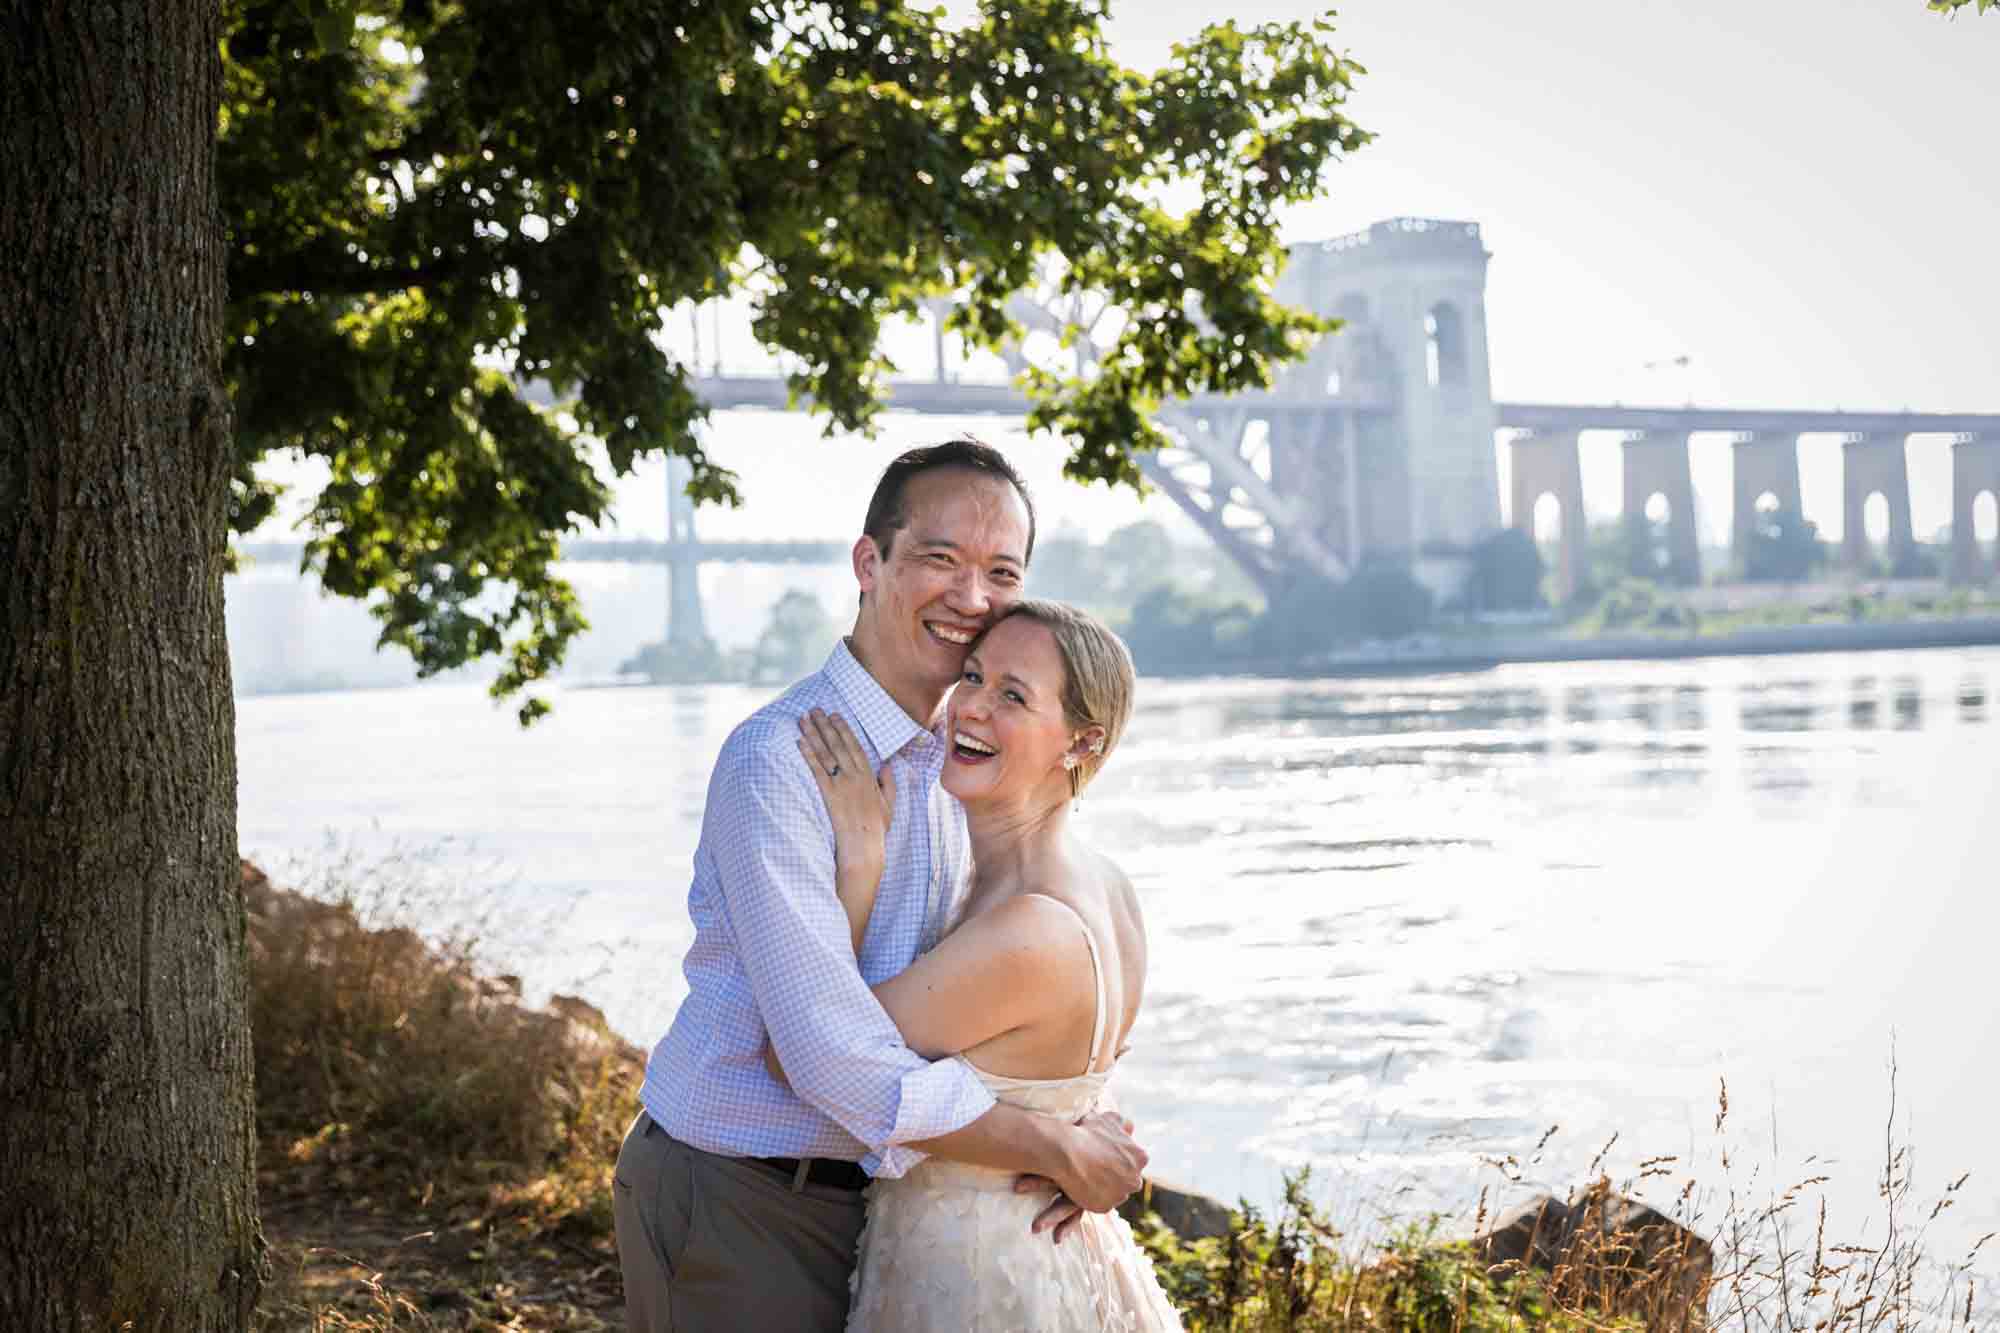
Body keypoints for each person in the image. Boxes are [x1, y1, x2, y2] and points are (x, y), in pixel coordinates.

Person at [614, 440, 1149, 1333]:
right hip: (744, 1193)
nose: (972, 598)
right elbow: (827, 1058)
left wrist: (1085, 1117)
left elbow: (1001, 1003)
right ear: (871, 562)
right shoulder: (779, 764)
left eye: (1001, 571)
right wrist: (1052, 1141)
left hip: (892, 1201)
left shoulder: (965, 760)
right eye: (941, 557)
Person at [786, 600, 1182, 1331]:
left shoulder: (1027, 930)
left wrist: (861, 866)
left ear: (1081, 742)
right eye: (972, 675)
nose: (969, 706)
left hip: (974, 1277)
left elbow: (814, 1054)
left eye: (1012, 695)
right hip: (1059, 1253)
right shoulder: (1110, 885)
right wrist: (1074, 1145)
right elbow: (1074, 1081)